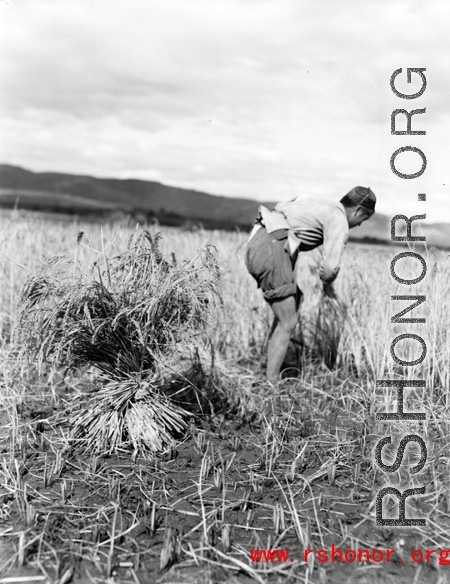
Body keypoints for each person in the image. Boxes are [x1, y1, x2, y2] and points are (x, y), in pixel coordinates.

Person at [245, 186, 376, 383]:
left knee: (293, 302)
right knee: (288, 321)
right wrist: (328, 283)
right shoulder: (339, 220)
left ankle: (268, 371)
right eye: (363, 219)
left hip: (257, 240)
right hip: (273, 248)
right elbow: (330, 268)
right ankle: (270, 386)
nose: (359, 225)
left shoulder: (315, 202)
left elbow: (284, 206)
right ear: (357, 211)